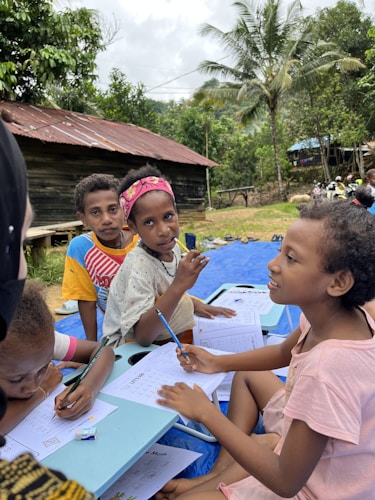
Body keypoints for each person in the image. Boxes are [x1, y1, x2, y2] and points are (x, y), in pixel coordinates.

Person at [156, 187, 375, 499]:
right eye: (280, 250)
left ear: (338, 282)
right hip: (314, 438)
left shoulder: (325, 370)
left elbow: (286, 482)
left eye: (291, 258)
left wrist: (207, 413)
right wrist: (218, 362)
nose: (273, 264)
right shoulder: (336, 316)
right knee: (248, 376)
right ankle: (219, 474)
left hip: (314, 487)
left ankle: (222, 478)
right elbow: (283, 353)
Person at [0, 118, 95, 498]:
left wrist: (86, 385)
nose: (23, 271)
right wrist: (41, 393)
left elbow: (103, 349)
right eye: (13, 241)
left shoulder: (29, 344)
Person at [103, 165, 235, 347]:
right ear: (133, 227)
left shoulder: (173, 249)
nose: (164, 230)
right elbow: (142, 337)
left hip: (158, 331)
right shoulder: (139, 266)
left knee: (188, 307)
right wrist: (179, 286)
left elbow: (163, 294)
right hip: (124, 348)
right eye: (149, 222)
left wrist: (196, 305)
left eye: (168, 216)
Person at [0, 280, 114, 434]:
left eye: (44, 367)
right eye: (16, 379)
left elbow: (102, 351)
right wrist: (43, 390)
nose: (32, 385)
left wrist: (89, 387)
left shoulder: (35, 343)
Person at [61, 173, 138, 341]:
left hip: (155, 319)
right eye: (95, 212)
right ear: (83, 218)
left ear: (123, 209)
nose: (106, 219)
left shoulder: (142, 238)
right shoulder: (81, 248)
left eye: (112, 209)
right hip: (118, 328)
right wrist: (91, 348)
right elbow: (86, 300)